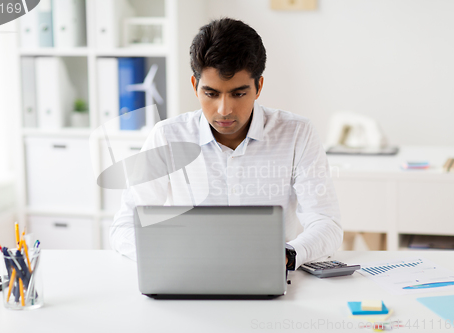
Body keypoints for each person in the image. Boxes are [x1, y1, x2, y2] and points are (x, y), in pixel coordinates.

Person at [110, 18, 343, 270]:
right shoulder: (167, 136)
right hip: (188, 276)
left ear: (258, 87)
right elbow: (125, 225)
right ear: (195, 86)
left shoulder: (297, 133)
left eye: (238, 93)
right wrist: (168, 257)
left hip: (269, 276)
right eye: (211, 94)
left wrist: (288, 255)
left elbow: (326, 224)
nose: (224, 110)